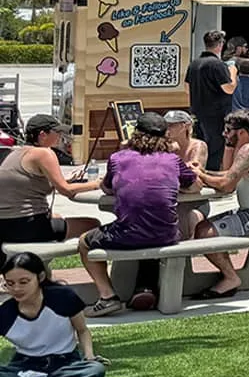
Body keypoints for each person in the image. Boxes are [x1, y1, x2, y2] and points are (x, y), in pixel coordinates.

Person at [75, 113, 197, 317]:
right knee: (151, 231)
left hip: (128, 234)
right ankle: (145, 289)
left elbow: (106, 188)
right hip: (167, 235)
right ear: (166, 136)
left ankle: (107, 296)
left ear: (135, 134)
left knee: (84, 242)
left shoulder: (118, 158)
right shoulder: (173, 160)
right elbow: (194, 186)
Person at [187, 111, 249, 299]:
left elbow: (227, 186)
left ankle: (230, 278)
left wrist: (199, 175)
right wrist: (204, 169)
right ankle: (228, 275)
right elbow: (227, 172)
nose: (224, 134)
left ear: (242, 132)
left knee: (204, 233)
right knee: (202, 227)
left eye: (228, 131)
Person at [0, 253, 106, 377]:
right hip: (24, 367)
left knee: (95, 370)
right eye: (9, 283)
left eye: (24, 282)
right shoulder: (5, 313)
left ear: (40, 277)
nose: (16, 288)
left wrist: (89, 356)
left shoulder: (63, 298)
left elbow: (82, 330)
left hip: (65, 363)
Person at [0, 115, 101, 246]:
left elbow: (27, 185)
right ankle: (95, 263)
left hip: (5, 225)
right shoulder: (44, 153)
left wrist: (65, 179)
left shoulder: (16, 152)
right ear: (42, 135)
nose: (60, 136)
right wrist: (97, 184)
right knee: (92, 224)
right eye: (57, 132)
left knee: (57, 216)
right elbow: (66, 190)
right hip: (26, 226)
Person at [189, 30, 237, 169]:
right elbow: (229, 88)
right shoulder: (218, 65)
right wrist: (233, 72)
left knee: (199, 146)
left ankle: (199, 174)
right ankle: (211, 176)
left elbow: (187, 88)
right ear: (220, 45)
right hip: (216, 114)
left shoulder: (194, 63)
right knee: (215, 148)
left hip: (197, 112)